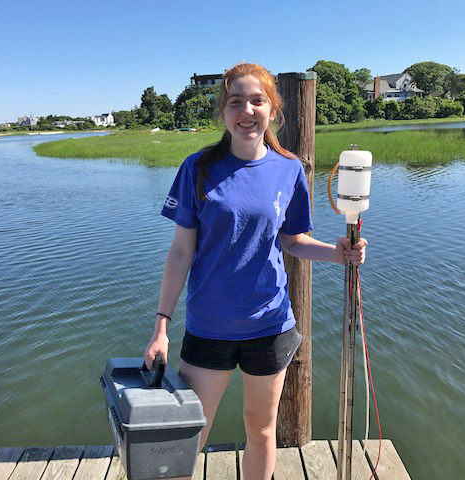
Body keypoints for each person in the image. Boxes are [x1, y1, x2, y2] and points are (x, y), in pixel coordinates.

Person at [144, 63, 367, 480]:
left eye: (257, 101)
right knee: (190, 435)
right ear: (223, 113)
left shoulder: (289, 169)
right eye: (235, 102)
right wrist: (161, 325)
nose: (246, 110)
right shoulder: (197, 168)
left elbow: (292, 240)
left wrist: (338, 253)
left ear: (273, 109)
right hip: (209, 327)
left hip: (270, 326)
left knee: (262, 431)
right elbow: (179, 253)